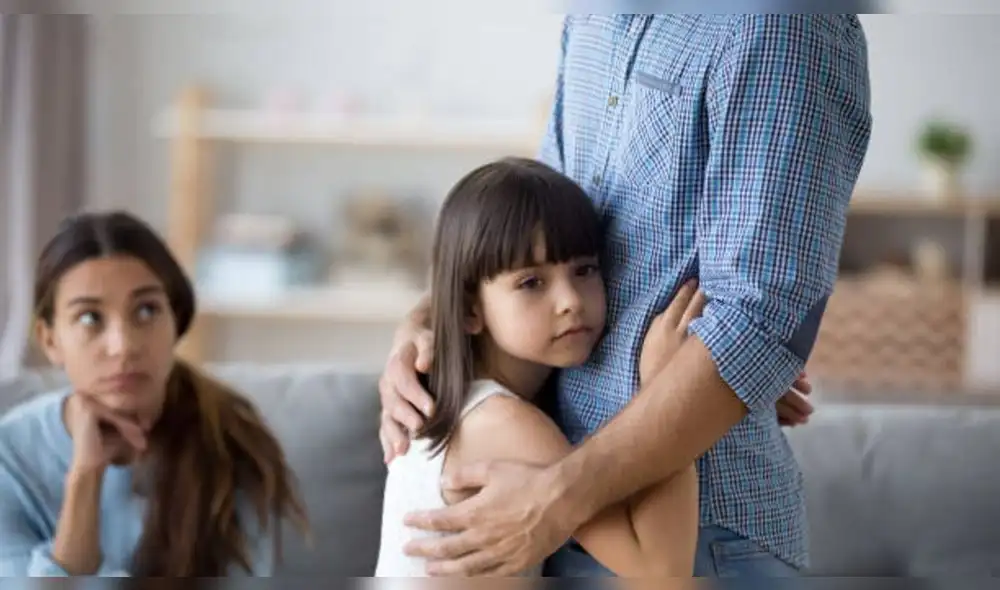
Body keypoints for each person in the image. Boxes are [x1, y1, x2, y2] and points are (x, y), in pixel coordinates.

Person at [378, 14, 872, 579]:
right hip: (560, 514)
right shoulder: (593, 16)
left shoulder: (781, 23)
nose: (568, 301)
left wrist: (558, 494)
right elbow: (538, 226)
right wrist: (423, 325)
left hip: (691, 534)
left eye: (582, 274)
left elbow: (760, 324)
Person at [375, 157, 703, 578]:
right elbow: (662, 573)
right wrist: (669, 387)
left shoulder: (465, 403)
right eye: (531, 283)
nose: (570, 300)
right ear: (469, 310)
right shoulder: (506, 425)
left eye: (584, 270)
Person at [0, 211, 308, 576]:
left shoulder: (232, 438)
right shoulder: (10, 457)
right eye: (89, 318)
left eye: (146, 310)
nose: (123, 346)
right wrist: (85, 477)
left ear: (175, 320)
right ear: (50, 340)